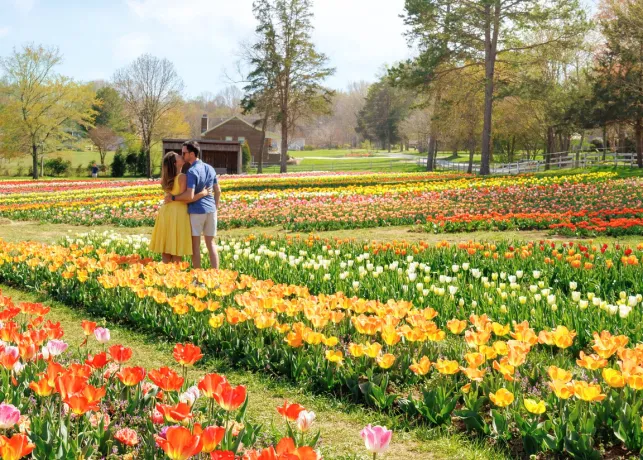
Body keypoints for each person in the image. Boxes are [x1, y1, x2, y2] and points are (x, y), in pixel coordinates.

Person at [166, 141, 221, 269]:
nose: (182, 155)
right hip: (211, 211)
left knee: (195, 247)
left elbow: (189, 196)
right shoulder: (210, 168)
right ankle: (216, 275)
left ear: (192, 154)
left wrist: (173, 197)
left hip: (197, 211)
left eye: (184, 153)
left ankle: (198, 277)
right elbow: (218, 191)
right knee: (211, 243)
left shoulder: (192, 171)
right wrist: (215, 208)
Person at [150, 151, 210, 264]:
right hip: (178, 213)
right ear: (174, 163)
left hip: (165, 212)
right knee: (176, 248)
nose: (181, 156)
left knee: (166, 248)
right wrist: (203, 193)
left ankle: (165, 275)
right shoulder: (182, 177)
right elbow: (186, 198)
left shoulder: (165, 179)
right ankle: (175, 277)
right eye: (178, 156)